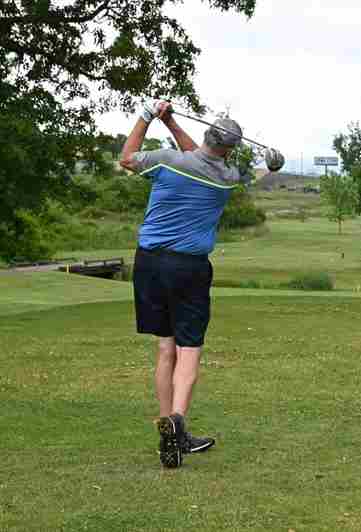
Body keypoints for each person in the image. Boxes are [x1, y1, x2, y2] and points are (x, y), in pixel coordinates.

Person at [119, 100, 244, 468]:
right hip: (188, 268)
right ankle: (176, 425)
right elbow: (201, 159)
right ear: (230, 149)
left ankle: (169, 432)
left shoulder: (167, 161)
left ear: (206, 134)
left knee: (165, 349)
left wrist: (148, 116)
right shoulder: (227, 178)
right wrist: (172, 123)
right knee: (189, 349)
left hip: (149, 263)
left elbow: (127, 158)